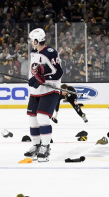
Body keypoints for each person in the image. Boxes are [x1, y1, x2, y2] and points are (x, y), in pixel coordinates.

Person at [24, 28, 63, 162]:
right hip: (36, 92)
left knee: (42, 117)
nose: (30, 42)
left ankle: (45, 147)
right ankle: (36, 145)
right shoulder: (33, 53)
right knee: (32, 119)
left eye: (31, 40)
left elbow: (58, 72)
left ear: (36, 40)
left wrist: (42, 78)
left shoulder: (50, 52)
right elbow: (35, 71)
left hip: (49, 91)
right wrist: (33, 79)